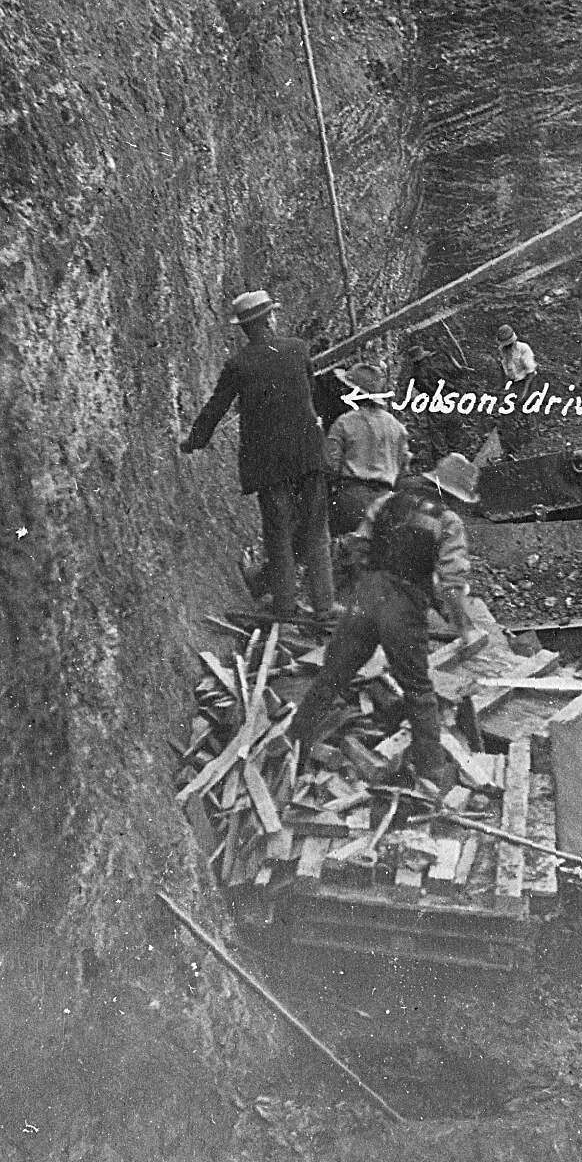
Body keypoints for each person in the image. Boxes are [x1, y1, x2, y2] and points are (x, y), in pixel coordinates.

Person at [290, 453, 478, 790]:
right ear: (452, 494)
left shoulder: (388, 502)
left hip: (365, 598)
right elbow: (451, 583)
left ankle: (293, 744)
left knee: (333, 675)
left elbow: (356, 546)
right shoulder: (448, 522)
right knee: (418, 690)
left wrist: (365, 585)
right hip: (403, 610)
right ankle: (431, 775)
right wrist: (463, 626)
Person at [180, 289, 335, 620]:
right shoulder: (297, 350)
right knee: (316, 531)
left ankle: (285, 607)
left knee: (278, 536)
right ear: (270, 320)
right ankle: (324, 607)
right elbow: (310, 394)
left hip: (269, 464)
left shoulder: (239, 365)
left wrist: (193, 441)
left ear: (245, 329)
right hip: (308, 454)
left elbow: (215, 408)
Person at [325, 361, 411, 535]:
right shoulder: (397, 427)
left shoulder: (344, 422)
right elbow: (404, 470)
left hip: (351, 499)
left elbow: (330, 466)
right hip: (386, 502)